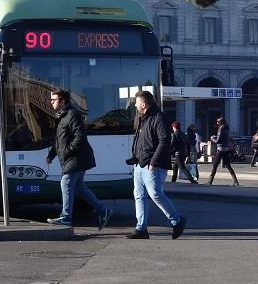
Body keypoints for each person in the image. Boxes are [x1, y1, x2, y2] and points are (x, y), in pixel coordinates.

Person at [45, 89, 113, 229]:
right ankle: (103, 211)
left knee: (66, 183)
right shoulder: (62, 116)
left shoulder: (72, 114)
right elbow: (59, 139)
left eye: (54, 100)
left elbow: (80, 136)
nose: (51, 102)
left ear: (63, 101)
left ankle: (66, 217)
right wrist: (51, 155)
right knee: (79, 187)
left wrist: (67, 151)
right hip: (74, 157)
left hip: (76, 158)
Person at [127, 90, 186, 239]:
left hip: (153, 165)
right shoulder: (142, 118)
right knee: (139, 196)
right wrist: (135, 157)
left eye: (136, 103)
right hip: (140, 164)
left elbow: (164, 141)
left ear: (143, 104)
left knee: (155, 194)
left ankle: (177, 221)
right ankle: (141, 229)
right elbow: (139, 139)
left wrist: (154, 162)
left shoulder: (159, 118)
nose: (135, 105)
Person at [207, 117, 240, 186]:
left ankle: (210, 181)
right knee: (228, 165)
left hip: (220, 149)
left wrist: (212, 139)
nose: (216, 123)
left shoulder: (221, 129)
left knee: (215, 165)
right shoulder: (227, 129)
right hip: (226, 149)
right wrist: (216, 137)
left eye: (217, 122)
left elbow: (218, 141)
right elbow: (223, 138)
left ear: (220, 122)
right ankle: (235, 181)